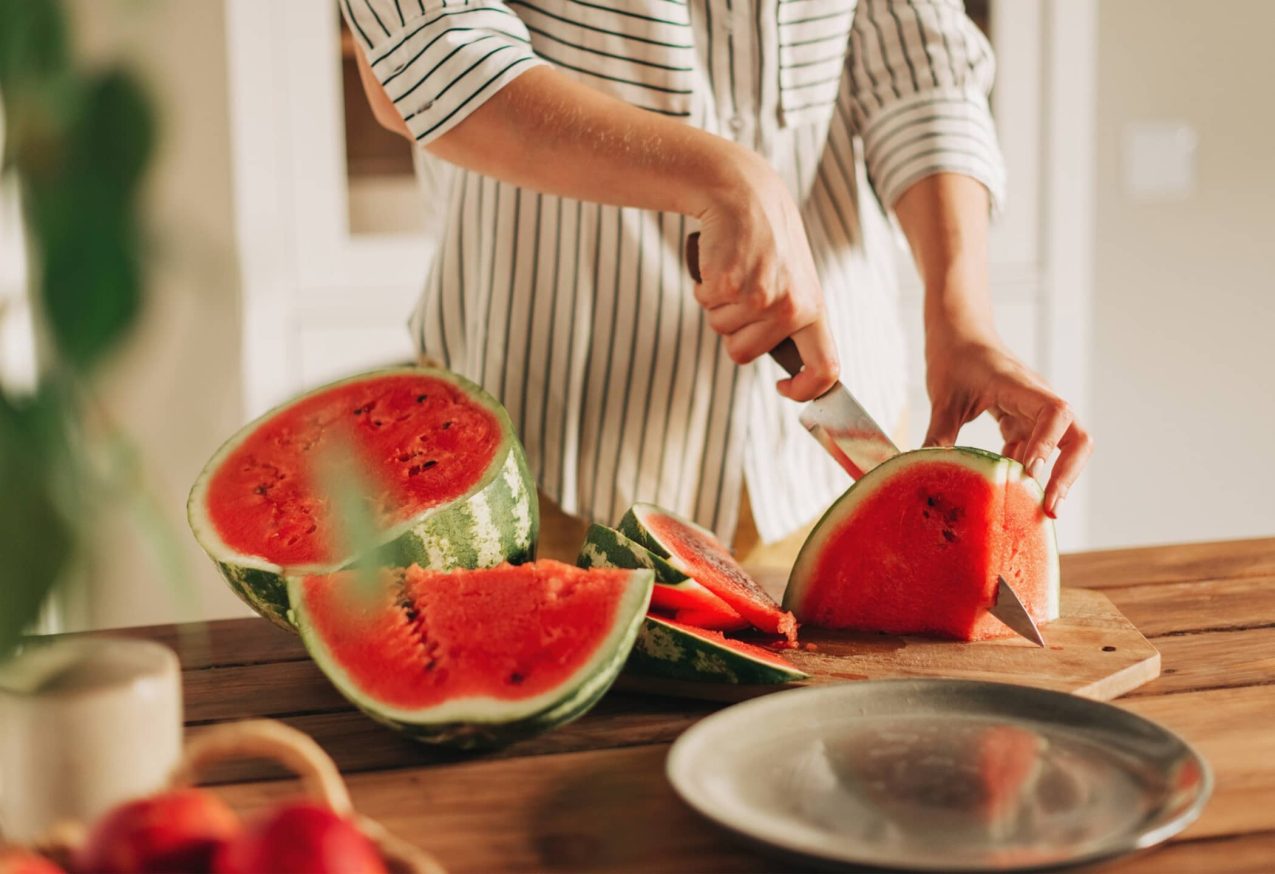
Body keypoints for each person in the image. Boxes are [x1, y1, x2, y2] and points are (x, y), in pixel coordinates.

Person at [339, 0, 1091, 564]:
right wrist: (728, 178)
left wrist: (961, 318)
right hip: (535, 454)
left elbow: (917, 67)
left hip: (818, 467)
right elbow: (426, 54)